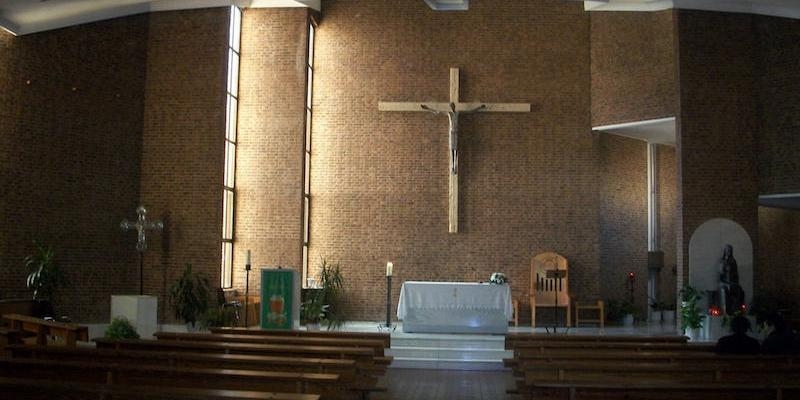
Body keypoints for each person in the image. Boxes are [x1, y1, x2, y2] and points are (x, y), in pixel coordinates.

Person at [718, 244, 745, 315]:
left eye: (730, 250)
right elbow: (720, 276)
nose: (728, 251)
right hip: (724, 282)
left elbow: (736, 274)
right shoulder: (722, 261)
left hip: (732, 282)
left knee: (738, 289)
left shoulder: (733, 261)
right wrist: (725, 269)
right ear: (725, 251)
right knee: (726, 289)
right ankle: (727, 311)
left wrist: (735, 282)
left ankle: (736, 310)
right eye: (727, 250)